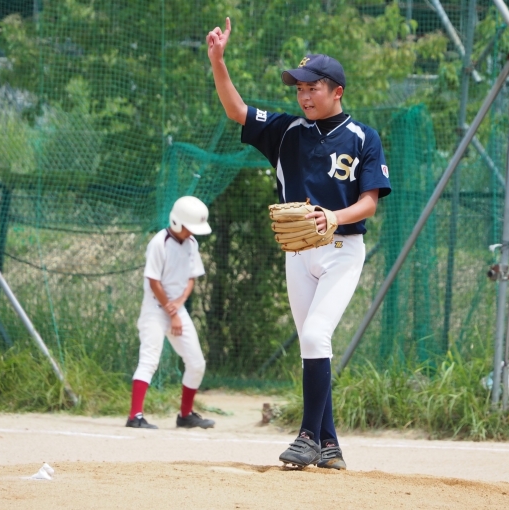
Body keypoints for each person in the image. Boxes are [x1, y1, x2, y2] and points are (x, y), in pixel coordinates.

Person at [206, 18, 391, 469]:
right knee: (312, 345)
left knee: (314, 334)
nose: (304, 95)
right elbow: (237, 110)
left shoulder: (363, 138)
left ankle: (307, 437)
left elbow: (369, 203)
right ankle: (330, 446)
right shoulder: (287, 130)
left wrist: (334, 216)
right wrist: (217, 61)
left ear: (337, 91)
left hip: (342, 250)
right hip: (298, 252)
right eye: (299, 88)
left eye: (313, 87)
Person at [126, 196, 216, 430]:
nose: (192, 232)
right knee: (149, 360)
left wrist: (179, 303)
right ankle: (135, 416)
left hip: (176, 308)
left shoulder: (192, 243)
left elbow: (191, 278)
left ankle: (185, 416)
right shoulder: (159, 242)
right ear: (177, 222)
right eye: (189, 227)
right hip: (155, 309)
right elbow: (153, 281)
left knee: (196, 363)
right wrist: (171, 311)